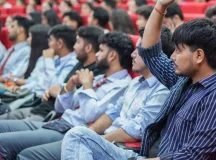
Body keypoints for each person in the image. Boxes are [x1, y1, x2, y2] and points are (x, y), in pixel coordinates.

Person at [59, 0, 216, 160]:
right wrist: (159, 7)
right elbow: (150, 53)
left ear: (198, 56)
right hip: (145, 154)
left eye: (178, 51)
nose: (172, 57)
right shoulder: (183, 80)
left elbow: (192, 156)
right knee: (78, 135)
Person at [0, 32, 134, 160]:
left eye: (101, 50)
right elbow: (62, 106)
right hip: (58, 122)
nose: (97, 54)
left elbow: (90, 115)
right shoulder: (99, 78)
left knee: (7, 146)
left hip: (71, 130)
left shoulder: (121, 86)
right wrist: (70, 85)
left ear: (112, 56)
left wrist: (87, 86)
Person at [62, 27, 174, 159]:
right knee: (78, 136)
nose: (133, 54)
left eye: (139, 50)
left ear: (154, 53)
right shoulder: (135, 81)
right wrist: (91, 135)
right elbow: (113, 113)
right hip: (108, 141)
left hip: (124, 148)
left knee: (77, 135)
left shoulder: (163, 89)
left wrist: (97, 140)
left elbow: (136, 130)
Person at [0, 26, 104, 121]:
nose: (74, 46)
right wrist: (51, 89)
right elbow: (54, 87)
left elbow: (62, 93)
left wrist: (54, 87)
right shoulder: (80, 64)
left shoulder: (89, 71)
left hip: (50, 114)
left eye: (78, 42)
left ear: (88, 47)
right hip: (41, 107)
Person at [0, 16, 32, 82]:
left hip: (5, 86)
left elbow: (14, 75)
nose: (8, 29)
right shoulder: (11, 49)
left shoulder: (26, 51)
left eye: (12, 26)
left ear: (21, 30)